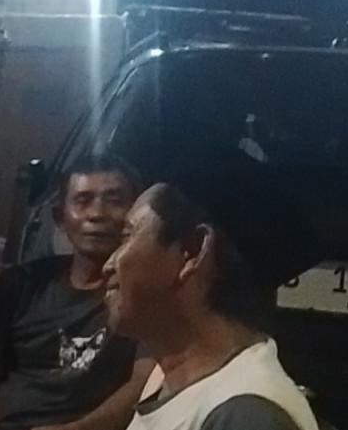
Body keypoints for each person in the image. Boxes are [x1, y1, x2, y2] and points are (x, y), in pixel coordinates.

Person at [102, 164, 321, 430]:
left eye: (127, 236)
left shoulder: (245, 417)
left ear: (192, 251)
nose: (108, 265)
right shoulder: (173, 374)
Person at [0, 155, 154, 430]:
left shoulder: (146, 296)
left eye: (114, 201)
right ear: (60, 218)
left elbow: (144, 383)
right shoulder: (21, 285)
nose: (97, 214)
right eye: (83, 200)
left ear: (136, 216)